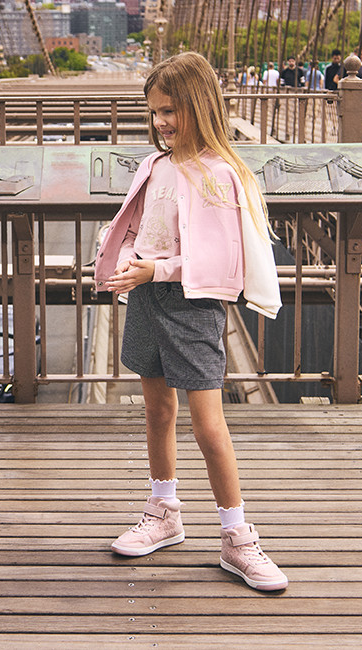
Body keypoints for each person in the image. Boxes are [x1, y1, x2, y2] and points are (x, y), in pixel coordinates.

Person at [93, 51, 287, 592]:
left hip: (193, 305)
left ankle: (237, 536)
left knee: (208, 425)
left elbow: (220, 264)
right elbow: (139, 226)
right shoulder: (155, 166)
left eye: (170, 111)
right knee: (156, 409)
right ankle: (164, 512)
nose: (160, 122)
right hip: (148, 300)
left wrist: (156, 267)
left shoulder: (219, 175)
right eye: (154, 112)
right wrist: (129, 258)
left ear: (199, 106)